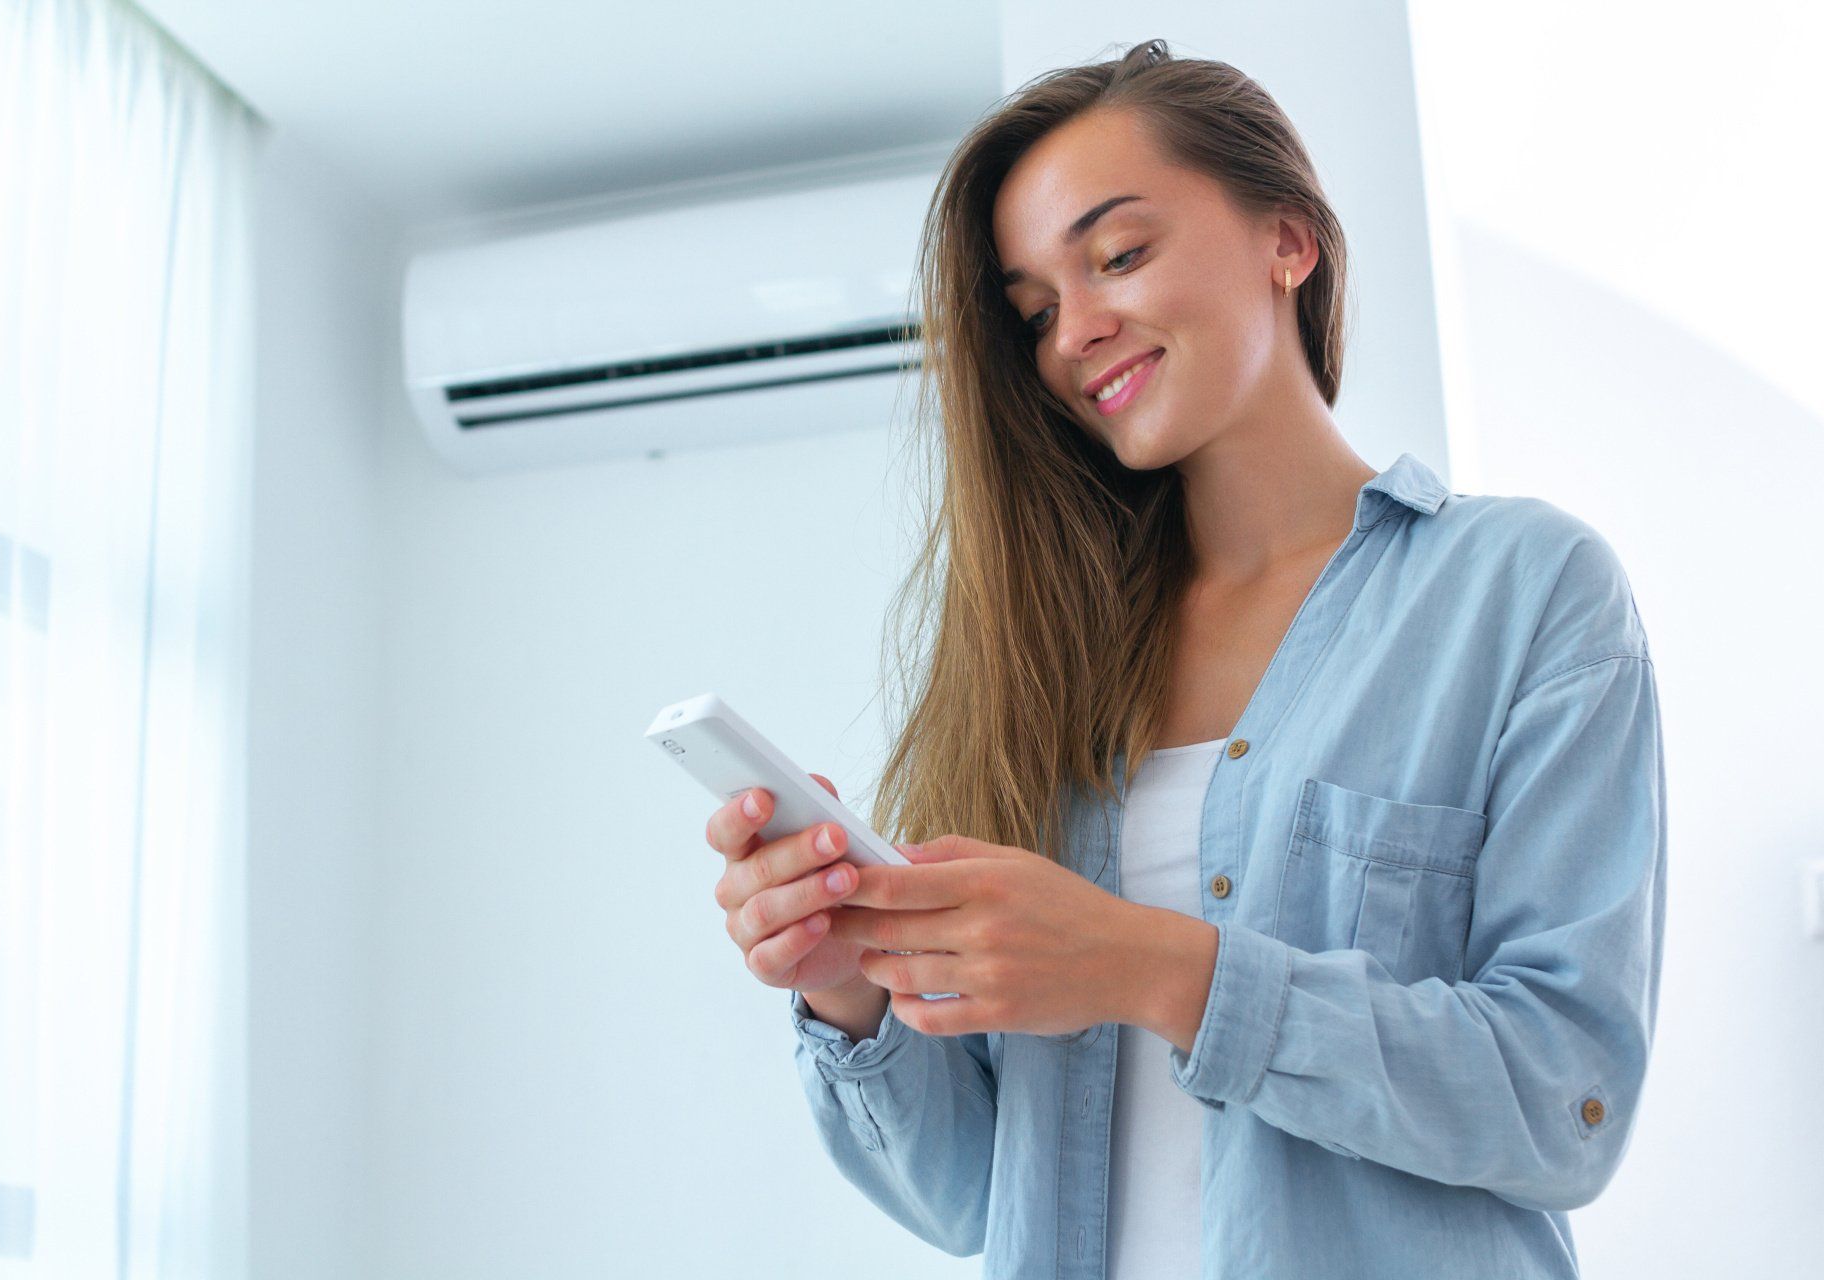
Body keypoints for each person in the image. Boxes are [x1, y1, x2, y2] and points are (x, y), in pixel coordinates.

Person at [699, 38, 1665, 1280]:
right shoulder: (1045, 659)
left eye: (1119, 255)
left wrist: (1146, 964)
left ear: (1288, 240)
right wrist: (850, 988)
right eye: (1037, 309)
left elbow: (1565, 1097)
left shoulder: (1524, 591)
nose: (1075, 333)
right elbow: (969, 1201)